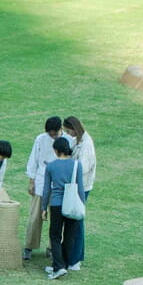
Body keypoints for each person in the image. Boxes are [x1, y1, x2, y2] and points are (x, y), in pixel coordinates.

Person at [36, 138, 89, 278]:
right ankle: (62, 265)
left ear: (56, 150)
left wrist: (43, 208)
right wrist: (82, 205)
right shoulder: (77, 165)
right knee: (69, 236)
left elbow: (47, 189)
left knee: (55, 235)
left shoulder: (51, 166)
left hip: (56, 204)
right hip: (72, 204)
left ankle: (58, 266)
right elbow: (80, 188)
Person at [21, 115, 63, 263]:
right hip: (41, 180)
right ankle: (29, 246)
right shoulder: (41, 139)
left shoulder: (68, 141)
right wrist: (31, 181)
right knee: (34, 217)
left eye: (54, 134)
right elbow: (34, 159)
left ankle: (53, 247)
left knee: (56, 219)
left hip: (58, 184)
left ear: (60, 129)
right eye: (49, 134)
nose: (51, 136)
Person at [61, 115, 96, 269]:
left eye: (69, 131)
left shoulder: (86, 144)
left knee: (77, 220)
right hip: (76, 185)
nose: (69, 134)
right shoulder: (78, 141)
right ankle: (72, 256)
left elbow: (83, 167)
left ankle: (75, 259)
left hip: (81, 186)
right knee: (75, 221)